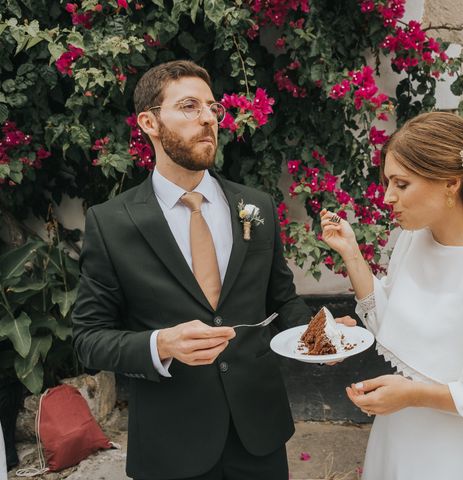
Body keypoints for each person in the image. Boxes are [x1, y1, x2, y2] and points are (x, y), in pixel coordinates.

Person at [72, 60, 312, 480]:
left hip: (259, 433)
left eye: (213, 107)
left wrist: (319, 335)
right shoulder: (111, 222)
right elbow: (89, 338)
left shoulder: (255, 206)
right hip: (171, 441)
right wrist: (160, 344)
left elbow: (282, 299)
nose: (207, 118)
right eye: (188, 106)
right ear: (148, 121)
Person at [320, 111, 463, 479]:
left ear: (451, 183)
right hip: (396, 434)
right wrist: (351, 252)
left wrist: (413, 395)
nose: (387, 197)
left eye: (402, 184)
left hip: (452, 452)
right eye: (387, 183)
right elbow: (387, 320)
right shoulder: (414, 240)